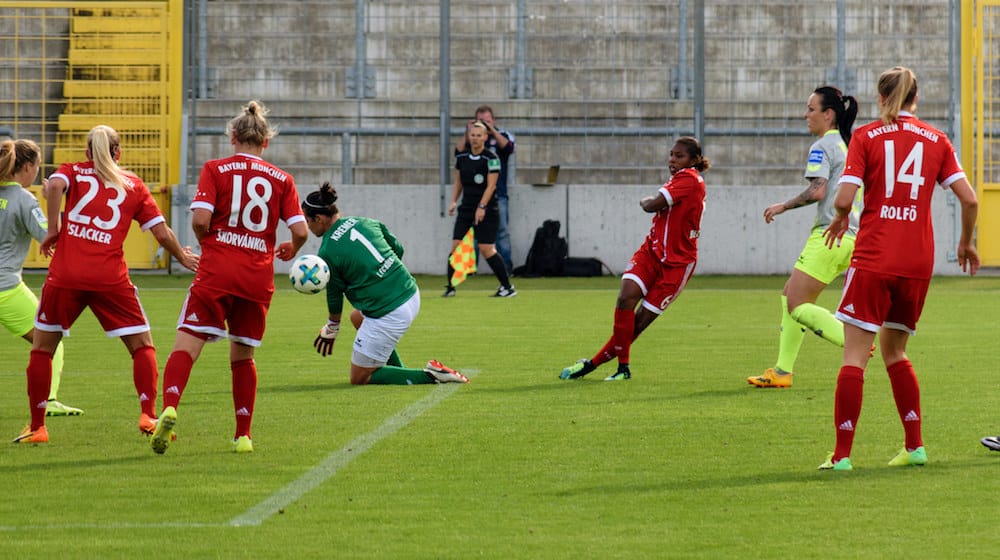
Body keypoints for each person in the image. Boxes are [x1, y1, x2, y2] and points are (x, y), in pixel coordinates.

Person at [819, 66, 979, 471]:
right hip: (916, 262)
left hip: (875, 256)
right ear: (916, 98)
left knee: (855, 354)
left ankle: (841, 456)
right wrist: (966, 242)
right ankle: (915, 446)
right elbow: (970, 200)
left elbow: (843, 198)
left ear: (882, 98)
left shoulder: (866, 136)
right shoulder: (937, 139)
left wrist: (840, 217)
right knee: (896, 350)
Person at [13, 125, 200, 444]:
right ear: (119, 153)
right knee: (142, 345)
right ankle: (148, 415)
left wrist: (54, 228)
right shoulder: (134, 185)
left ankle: (37, 427)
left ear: (87, 152)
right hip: (110, 278)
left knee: (43, 348)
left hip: (66, 275)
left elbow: (55, 184)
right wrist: (182, 256)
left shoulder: (73, 171)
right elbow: (161, 232)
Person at [150, 100, 308, 455]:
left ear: (233, 137)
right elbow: (300, 230)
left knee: (187, 344)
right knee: (243, 356)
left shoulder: (215, 169)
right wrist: (291, 250)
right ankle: (243, 436)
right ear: (265, 142)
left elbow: (201, 220)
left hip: (217, 271)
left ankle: (171, 406)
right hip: (256, 277)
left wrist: (213, 246)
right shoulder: (282, 179)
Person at [559, 137, 709, 381]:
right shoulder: (680, 179)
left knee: (638, 324)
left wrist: (645, 201)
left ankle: (597, 365)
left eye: (679, 156)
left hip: (677, 264)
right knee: (626, 297)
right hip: (652, 251)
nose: (672, 159)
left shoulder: (689, 178)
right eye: (671, 154)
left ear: (693, 160)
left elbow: (652, 206)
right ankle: (620, 368)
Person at [747, 86, 860, 389]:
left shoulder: (823, 146)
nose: (805, 115)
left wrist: (782, 206)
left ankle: (855, 341)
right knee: (789, 297)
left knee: (797, 304)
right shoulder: (851, 145)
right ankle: (782, 372)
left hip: (830, 235)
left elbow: (817, 190)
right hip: (852, 237)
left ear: (828, 114)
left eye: (811, 109)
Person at [305, 182, 468, 385]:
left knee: (360, 377)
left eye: (308, 220)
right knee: (357, 317)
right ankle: (400, 372)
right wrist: (381, 274)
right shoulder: (366, 221)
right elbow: (398, 249)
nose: (308, 226)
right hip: (410, 293)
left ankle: (432, 375)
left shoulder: (328, 250)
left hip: (390, 312)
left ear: (319, 219)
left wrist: (332, 327)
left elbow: (334, 294)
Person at [0, 139, 85, 418]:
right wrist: (52, 201)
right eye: (37, 167)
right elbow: (52, 237)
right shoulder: (24, 199)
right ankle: (47, 400)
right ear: (27, 166)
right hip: (6, 289)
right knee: (50, 340)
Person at [443, 120, 516, 298]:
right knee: (456, 246)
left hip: (487, 210)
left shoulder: (491, 159)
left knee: (486, 249)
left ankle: (507, 287)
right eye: (472, 135)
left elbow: (491, 187)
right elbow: (458, 182)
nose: (475, 139)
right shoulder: (461, 158)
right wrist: (453, 201)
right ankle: (450, 287)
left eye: (479, 135)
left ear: (485, 137)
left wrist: (482, 207)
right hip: (466, 208)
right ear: (469, 137)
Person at [455, 105, 516, 273]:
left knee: (501, 232)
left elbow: (509, 148)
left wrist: (491, 130)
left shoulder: (501, 135)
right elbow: (458, 153)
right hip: (472, 196)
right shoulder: (473, 138)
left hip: (498, 194)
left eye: (487, 121)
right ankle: (470, 268)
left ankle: (506, 268)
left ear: (493, 121)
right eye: (480, 121)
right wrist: (468, 131)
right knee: (470, 235)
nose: (483, 125)